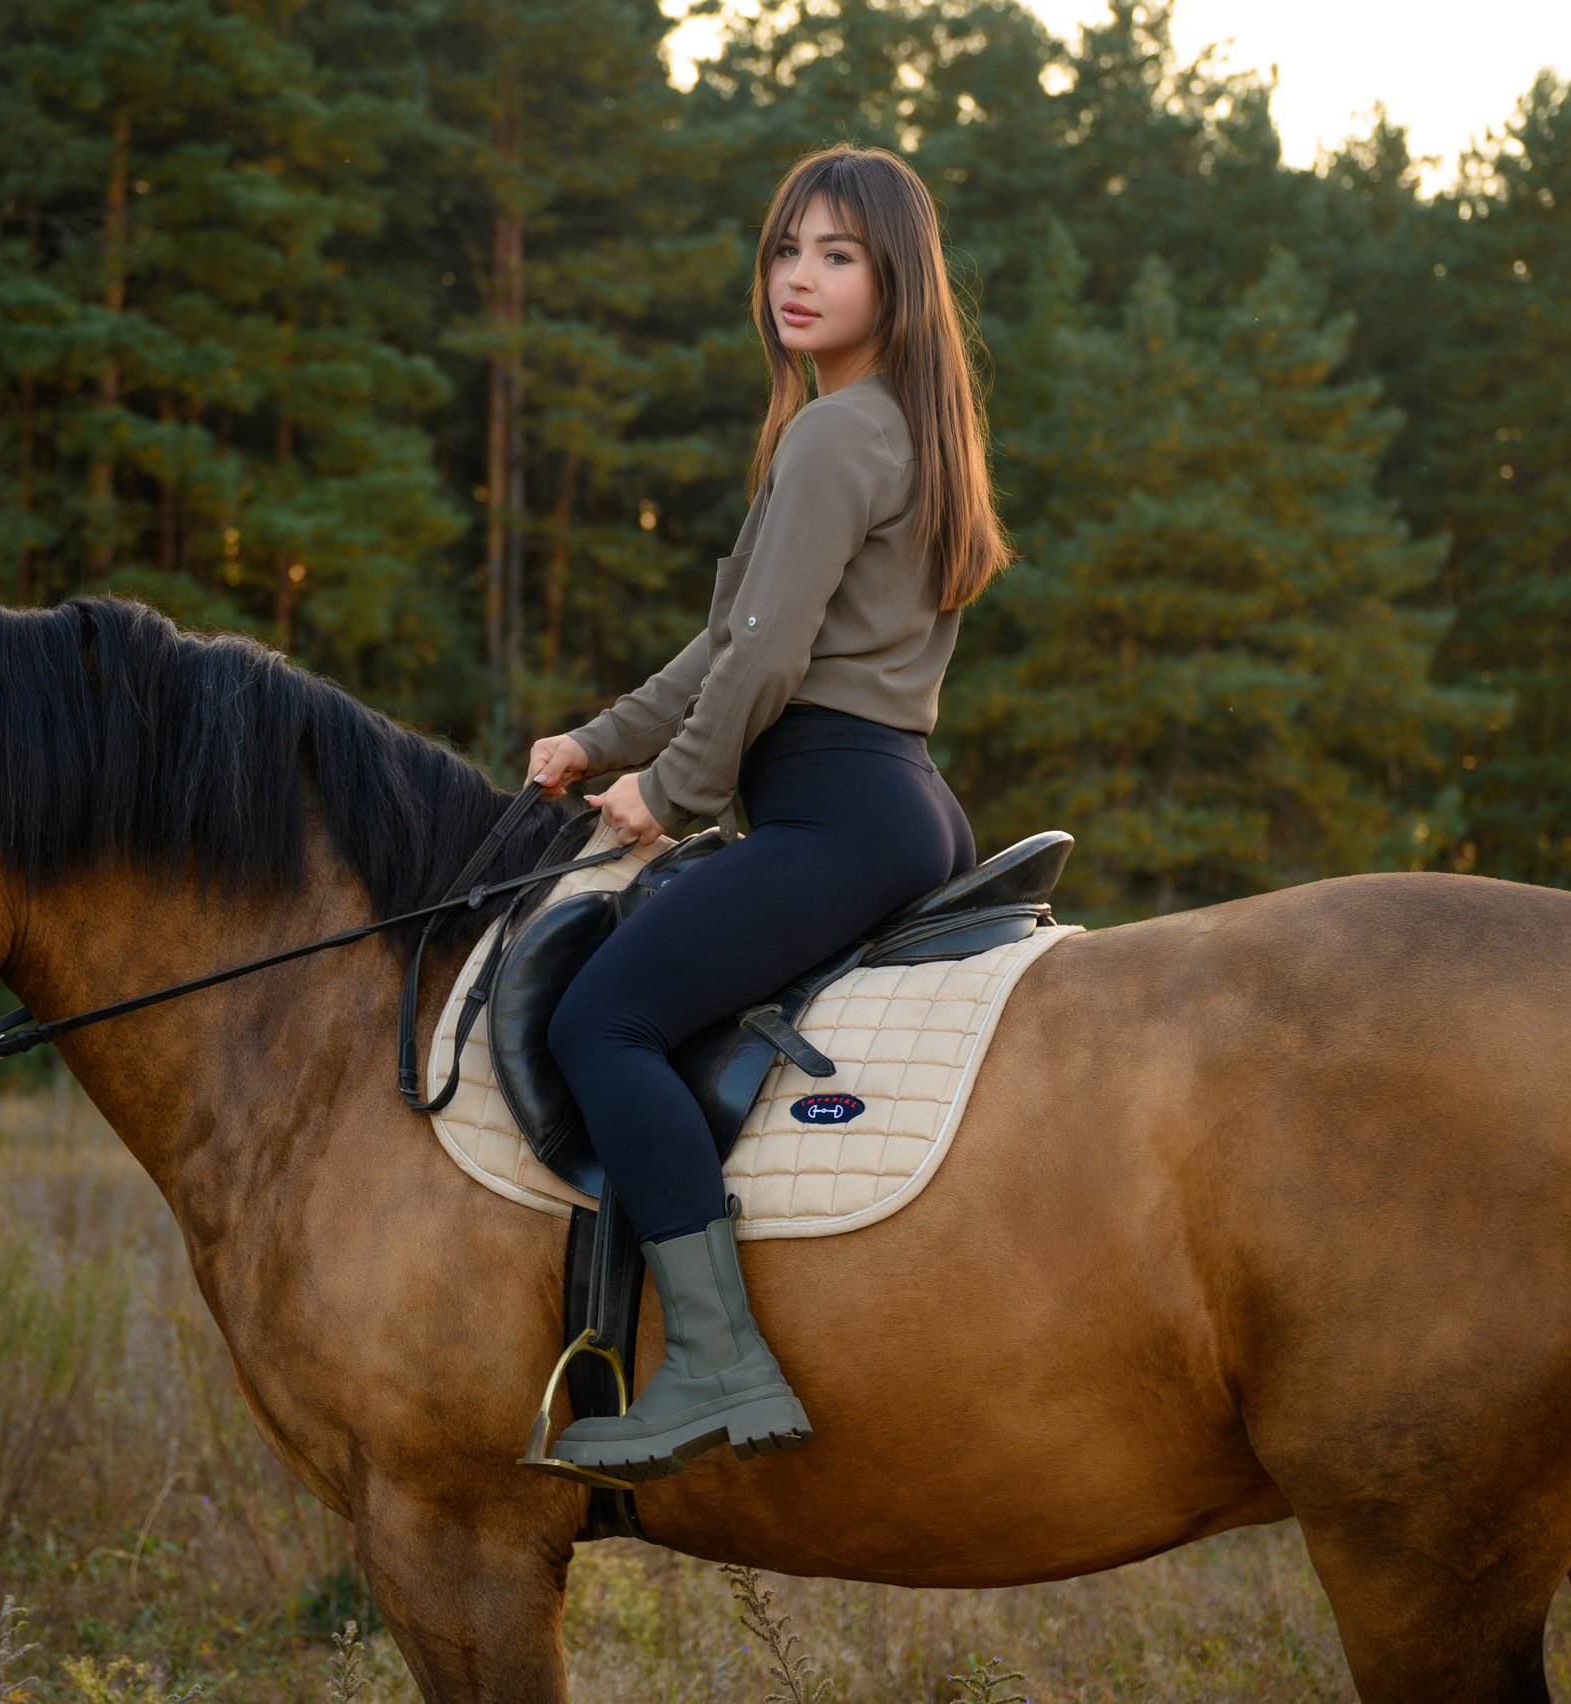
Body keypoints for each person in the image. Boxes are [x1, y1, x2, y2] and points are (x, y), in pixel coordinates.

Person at [525, 144, 1009, 1483]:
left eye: (837, 256)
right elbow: (728, 640)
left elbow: (767, 663)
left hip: (830, 804)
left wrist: (667, 796)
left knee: (599, 1020)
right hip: (900, 797)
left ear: (896, 279)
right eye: (786, 250)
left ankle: (719, 1365)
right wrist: (597, 741)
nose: (799, 278)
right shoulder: (903, 425)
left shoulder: (835, 431)